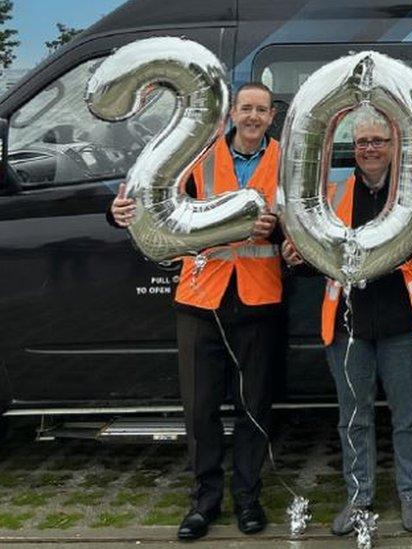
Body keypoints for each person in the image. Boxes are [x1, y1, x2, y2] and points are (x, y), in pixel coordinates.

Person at [109, 82, 281, 540]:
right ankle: (204, 503)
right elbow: (146, 202)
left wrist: (278, 229)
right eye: (245, 108)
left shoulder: (286, 158)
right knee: (200, 410)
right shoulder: (197, 155)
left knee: (254, 408)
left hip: (260, 300)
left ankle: (248, 500)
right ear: (231, 114)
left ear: (271, 116)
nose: (252, 117)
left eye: (261, 110)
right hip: (200, 300)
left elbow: (308, 218)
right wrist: (118, 211)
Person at [282, 105, 412, 536]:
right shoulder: (334, 195)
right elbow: (316, 256)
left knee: (409, 416)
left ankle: (411, 495)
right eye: (362, 142)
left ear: (395, 145)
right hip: (349, 329)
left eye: (378, 141)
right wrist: (296, 259)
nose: (370, 149)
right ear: (353, 149)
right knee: (353, 418)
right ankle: (358, 498)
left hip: (406, 325)